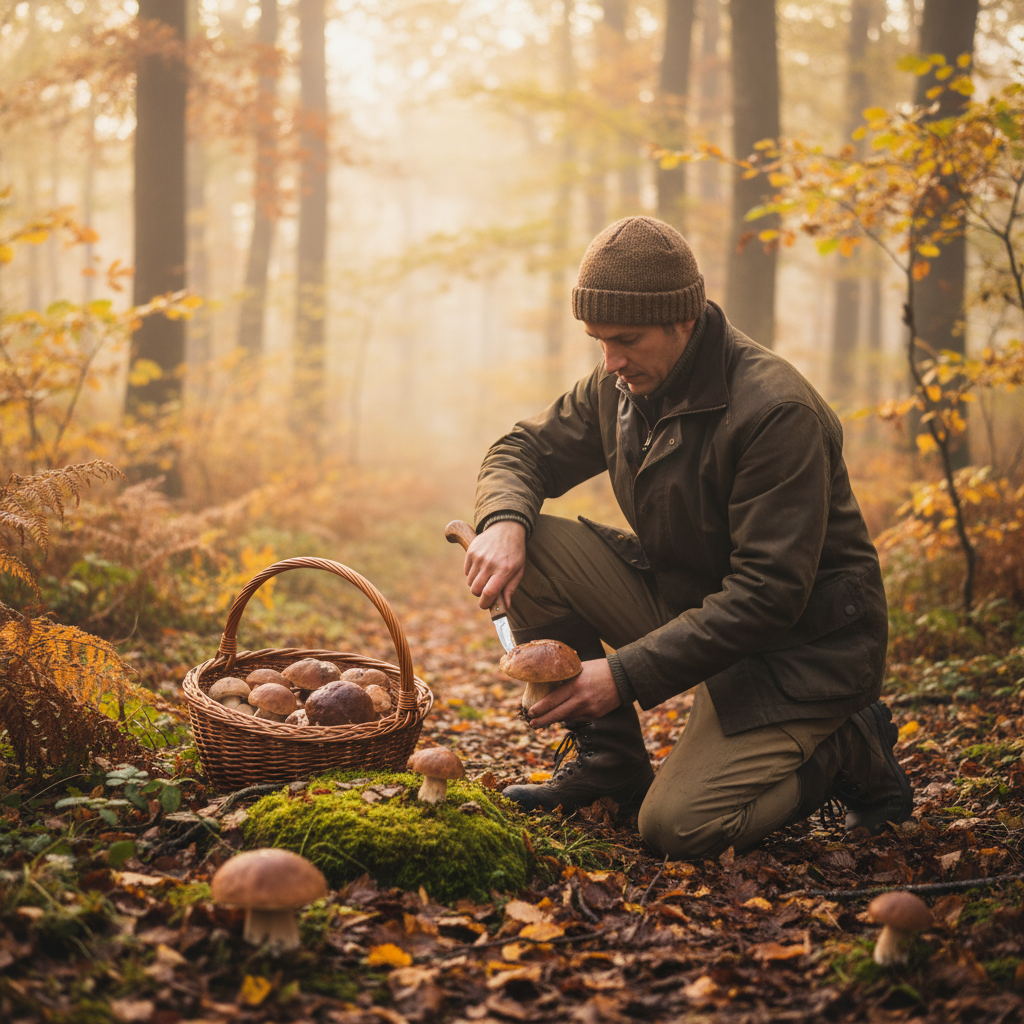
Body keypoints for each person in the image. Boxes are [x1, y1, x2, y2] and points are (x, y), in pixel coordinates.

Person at [459, 216, 912, 860]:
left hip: (798, 653)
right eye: (598, 341)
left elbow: (768, 594)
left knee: (677, 827)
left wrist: (622, 675)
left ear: (684, 319)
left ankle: (846, 747)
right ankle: (610, 766)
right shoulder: (621, 384)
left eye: (626, 340)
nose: (611, 362)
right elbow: (521, 449)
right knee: (536, 548)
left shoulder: (776, 411)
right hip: (694, 607)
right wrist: (503, 520)